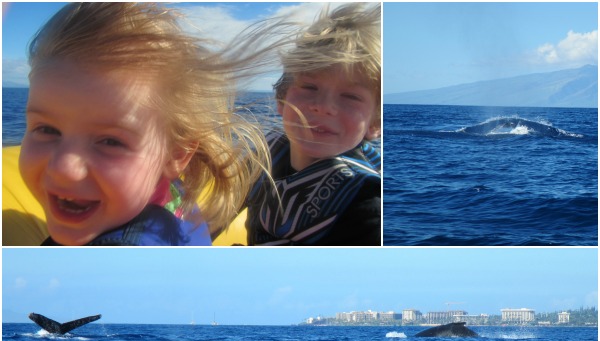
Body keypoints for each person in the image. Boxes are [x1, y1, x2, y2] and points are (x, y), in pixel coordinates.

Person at [19, 2, 273, 246]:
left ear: (176, 155)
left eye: (111, 141)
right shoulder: (173, 194)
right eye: (47, 129)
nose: (64, 168)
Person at [245, 2, 381, 246]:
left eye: (350, 96)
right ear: (281, 99)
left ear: (375, 123)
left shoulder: (368, 206)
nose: (324, 106)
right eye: (309, 87)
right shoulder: (265, 157)